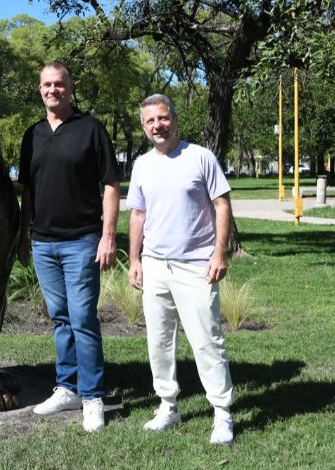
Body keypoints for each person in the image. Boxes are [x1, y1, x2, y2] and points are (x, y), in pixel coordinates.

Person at [17, 61, 121, 433]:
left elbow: (111, 184)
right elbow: (27, 188)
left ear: (71, 87)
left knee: (82, 319)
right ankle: (68, 388)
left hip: (82, 240)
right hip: (43, 242)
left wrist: (109, 235)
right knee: (60, 318)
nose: (53, 90)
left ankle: (93, 396)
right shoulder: (32, 135)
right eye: (46, 84)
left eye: (59, 84)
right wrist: (22, 233)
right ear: (39, 88)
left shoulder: (91, 129)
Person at [126, 93, 235, 445]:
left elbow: (222, 204)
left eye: (163, 118)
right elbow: (138, 214)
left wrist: (219, 253)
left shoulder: (200, 157)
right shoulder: (141, 165)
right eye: (150, 121)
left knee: (207, 342)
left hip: (196, 267)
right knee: (158, 342)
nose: (158, 126)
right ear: (144, 127)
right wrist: (134, 259)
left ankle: (222, 413)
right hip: (156, 265)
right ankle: (168, 406)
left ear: (174, 118)